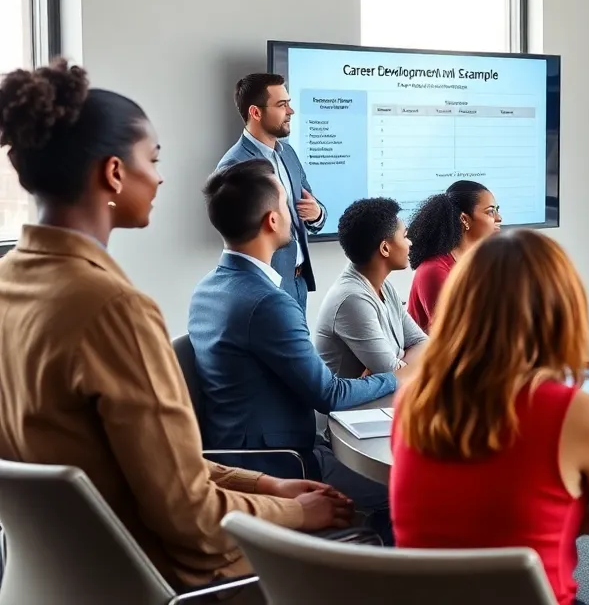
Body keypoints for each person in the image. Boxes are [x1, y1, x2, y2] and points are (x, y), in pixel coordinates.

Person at [0, 60, 351, 591]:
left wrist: (265, 485)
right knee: (369, 532)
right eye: (153, 159)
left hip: (51, 582)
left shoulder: (11, 285)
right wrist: (297, 513)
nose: (160, 177)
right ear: (113, 173)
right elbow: (189, 514)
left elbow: (155, 463)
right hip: (171, 580)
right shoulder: (113, 309)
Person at [390, 230, 589, 605]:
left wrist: (569, 520)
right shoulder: (577, 413)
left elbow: (467, 515)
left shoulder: (414, 400)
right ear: (562, 312)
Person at [189, 159, 409, 545]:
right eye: (287, 204)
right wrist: (393, 378)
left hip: (236, 453)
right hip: (282, 463)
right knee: (407, 489)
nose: (294, 212)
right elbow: (329, 394)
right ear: (272, 221)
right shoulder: (267, 302)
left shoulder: (208, 288)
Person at [218, 73, 325, 311]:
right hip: (265, 287)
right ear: (255, 112)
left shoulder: (289, 154)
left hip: (298, 282)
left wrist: (316, 214)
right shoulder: (234, 165)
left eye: (289, 103)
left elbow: (312, 204)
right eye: (282, 104)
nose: (291, 111)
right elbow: (241, 237)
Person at [315, 198, 429, 377]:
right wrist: (401, 366)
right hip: (364, 398)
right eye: (405, 236)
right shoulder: (352, 299)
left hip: (389, 394)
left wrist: (401, 366)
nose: (410, 243)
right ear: (385, 248)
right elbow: (392, 375)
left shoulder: (383, 286)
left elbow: (423, 343)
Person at [405, 180, 502, 330]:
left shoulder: (478, 262)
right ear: (464, 219)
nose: (498, 218)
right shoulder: (433, 270)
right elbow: (454, 334)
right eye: (490, 211)